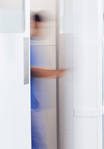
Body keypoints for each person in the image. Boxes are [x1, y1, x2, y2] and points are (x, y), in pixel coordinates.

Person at [31, 12, 64, 149]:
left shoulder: (37, 43)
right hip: (32, 106)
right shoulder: (32, 44)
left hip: (37, 105)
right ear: (37, 25)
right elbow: (36, 71)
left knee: (38, 141)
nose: (46, 30)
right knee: (39, 142)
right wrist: (60, 73)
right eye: (45, 26)